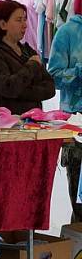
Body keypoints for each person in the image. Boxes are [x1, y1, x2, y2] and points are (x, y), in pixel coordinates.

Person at [0, 0, 55, 115]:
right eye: (19, 20)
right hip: (3, 128)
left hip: (32, 124)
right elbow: (9, 88)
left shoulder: (28, 51)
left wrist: (20, 90)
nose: (25, 25)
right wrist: (32, 66)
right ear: (3, 24)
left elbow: (50, 88)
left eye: (25, 19)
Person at [48, 12, 82, 223]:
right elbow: (53, 75)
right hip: (76, 123)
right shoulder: (68, 32)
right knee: (79, 203)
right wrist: (79, 71)